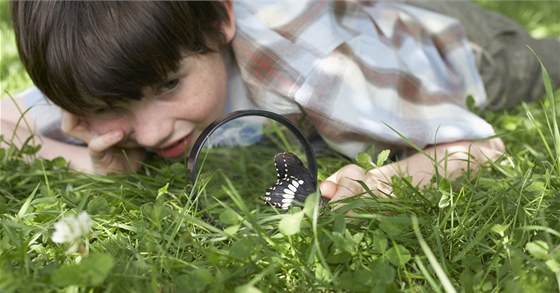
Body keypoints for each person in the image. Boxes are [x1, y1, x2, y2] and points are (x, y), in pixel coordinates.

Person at [1, 1, 558, 202]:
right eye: (115, 106)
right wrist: (86, 159)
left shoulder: (316, 72)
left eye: (169, 86)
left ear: (221, 19)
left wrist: (382, 183)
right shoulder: (125, 60)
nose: (148, 136)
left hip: (452, 48)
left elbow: (480, 149)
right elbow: (11, 118)